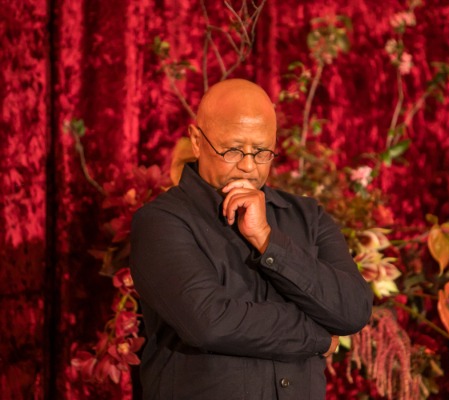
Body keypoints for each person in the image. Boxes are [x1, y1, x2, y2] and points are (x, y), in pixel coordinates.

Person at [130, 78, 373, 399]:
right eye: (232, 150)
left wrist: (267, 240)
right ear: (197, 141)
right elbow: (210, 323)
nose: (247, 166)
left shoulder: (308, 216)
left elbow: (354, 311)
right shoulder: (161, 222)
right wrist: (317, 335)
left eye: (261, 152)